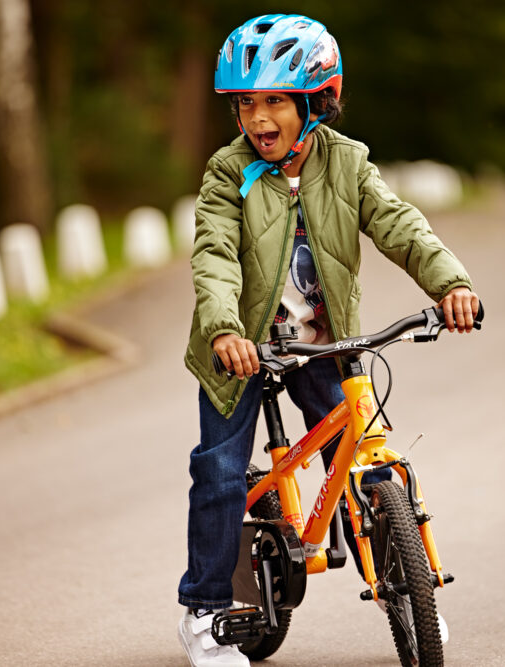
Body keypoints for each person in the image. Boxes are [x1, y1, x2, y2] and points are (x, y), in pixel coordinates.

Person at [178, 14, 479, 666]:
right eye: (246, 103)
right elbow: (215, 258)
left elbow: (399, 225)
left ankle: (405, 585)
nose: (258, 117)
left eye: (275, 100)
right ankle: (203, 611)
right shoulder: (226, 175)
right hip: (243, 350)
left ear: (315, 103)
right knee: (221, 474)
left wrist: (449, 284)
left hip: (323, 343)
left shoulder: (348, 164)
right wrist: (225, 329)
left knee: (368, 457)